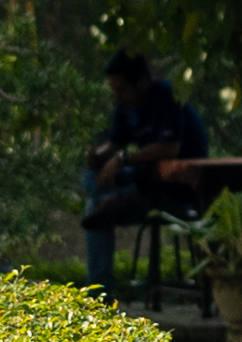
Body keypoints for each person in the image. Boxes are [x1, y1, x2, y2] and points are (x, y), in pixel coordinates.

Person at [79, 52, 214, 287]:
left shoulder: (168, 98)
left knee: (99, 204)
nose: (116, 95)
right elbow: (115, 143)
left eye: (121, 89)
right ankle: (101, 293)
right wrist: (97, 158)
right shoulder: (125, 106)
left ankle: (116, 201)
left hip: (176, 190)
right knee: (91, 183)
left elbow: (169, 148)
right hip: (144, 182)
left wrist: (123, 160)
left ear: (141, 83)